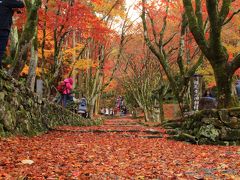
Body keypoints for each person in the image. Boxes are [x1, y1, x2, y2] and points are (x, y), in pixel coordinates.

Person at [0, 0, 25, 69]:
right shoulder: (7, 1)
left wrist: (12, 9)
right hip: (3, 28)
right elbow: (22, 4)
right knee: (1, 48)